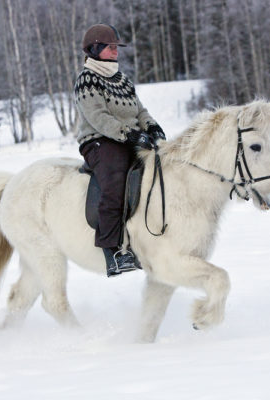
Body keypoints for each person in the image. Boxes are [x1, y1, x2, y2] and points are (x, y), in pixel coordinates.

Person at [74, 24, 166, 277]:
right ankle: (112, 249)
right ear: (95, 49)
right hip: (99, 141)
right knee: (115, 181)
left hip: (129, 138)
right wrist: (131, 135)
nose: (115, 51)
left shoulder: (122, 79)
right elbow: (98, 117)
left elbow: (139, 111)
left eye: (116, 47)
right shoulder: (87, 79)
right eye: (110, 47)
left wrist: (153, 128)